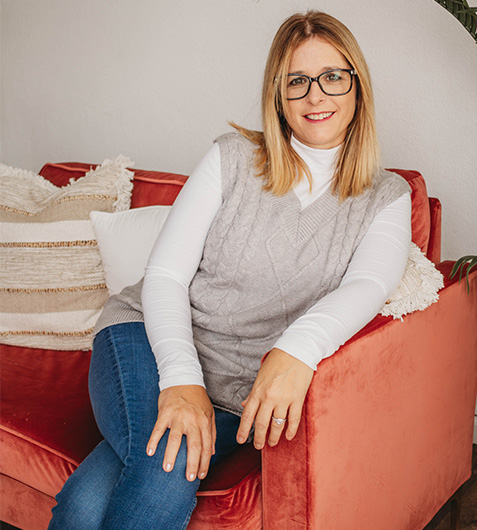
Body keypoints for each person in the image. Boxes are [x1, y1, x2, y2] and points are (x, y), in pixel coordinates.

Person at [49, 10, 411, 529]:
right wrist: (180, 380)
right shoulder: (232, 159)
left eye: (333, 76)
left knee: (87, 503)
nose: (316, 96)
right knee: (168, 466)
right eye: (297, 81)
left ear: (357, 86)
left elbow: (368, 284)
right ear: (278, 94)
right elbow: (166, 276)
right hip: (145, 336)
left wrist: (296, 350)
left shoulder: (387, 197)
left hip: (241, 386)